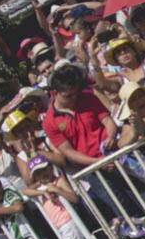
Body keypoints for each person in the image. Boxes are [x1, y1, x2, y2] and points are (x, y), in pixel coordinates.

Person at [40, 64, 139, 221]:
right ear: (55, 92)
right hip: (93, 170)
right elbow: (68, 152)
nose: (73, 98)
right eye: (68, 96)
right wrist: (97, 162)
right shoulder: (49, 122)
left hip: (116, 155)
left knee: (142, 193)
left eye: (75, 93)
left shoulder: (88, 98)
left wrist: (111, 136)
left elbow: (108, 121)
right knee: (123, 208)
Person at [23, 156, 83, 239]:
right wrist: (42, 192)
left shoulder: (59, 181)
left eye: (44, 169)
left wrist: (57, 190)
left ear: (50, 167)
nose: (43, 174)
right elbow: (25, 191)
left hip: (68, 223)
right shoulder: (41, 187)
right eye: (38, 173)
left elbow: (74, 199)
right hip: (60, 226)